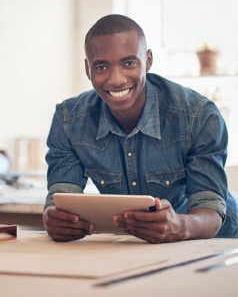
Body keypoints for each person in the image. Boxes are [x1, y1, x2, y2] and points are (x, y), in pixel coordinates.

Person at [43, 14, 238, 243]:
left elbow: (211, 210)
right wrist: (54, 220)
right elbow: (59, 202)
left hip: (216, 246)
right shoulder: (69, 121)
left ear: (147, 61)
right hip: (135, 247)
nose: (116, 80)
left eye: (129, 63)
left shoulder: (199, 116)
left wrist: (179, 225)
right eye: (102, 66)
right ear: (88, 70)